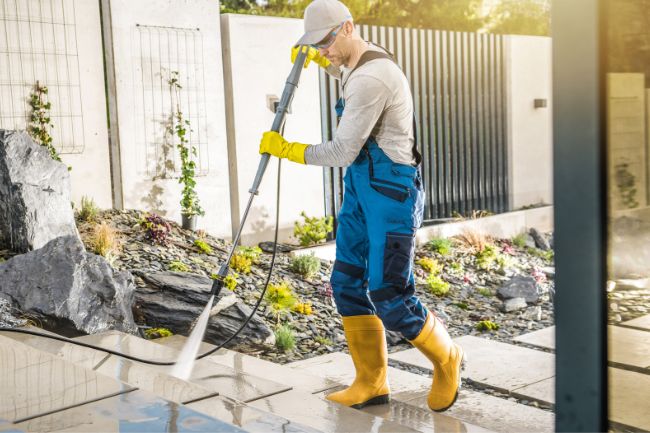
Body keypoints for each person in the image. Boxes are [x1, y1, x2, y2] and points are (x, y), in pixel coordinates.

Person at [259, 0, 464, 412]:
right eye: (316, 44)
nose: (325, 50)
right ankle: (371, 382)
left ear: (348, 27)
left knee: (389, 293)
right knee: (347, 282)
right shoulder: (356, 63)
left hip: (391, 194)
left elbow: (341, 149)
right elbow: (344, 68)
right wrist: (322, 61)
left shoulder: (374, 77)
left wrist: (288, 150)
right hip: (360, 191)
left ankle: (447, 359)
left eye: (326, 41)